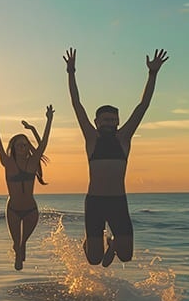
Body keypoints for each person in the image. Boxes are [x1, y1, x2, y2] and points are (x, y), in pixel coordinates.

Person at [65, 47, 169, 266]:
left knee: (125, 256)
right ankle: (92, 242)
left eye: (113, 120)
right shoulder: (92, 139)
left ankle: (111, 242)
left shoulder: (123, 139)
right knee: (94, 260)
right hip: (94, 202)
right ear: (96, 122)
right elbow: (77, 105)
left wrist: (152, 75)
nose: (109, 123)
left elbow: (143, 106)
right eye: (105, 120)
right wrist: (71, 73)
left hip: (118, 202)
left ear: (118, 122)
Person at [0, 105, 53, 270]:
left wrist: (48, 119)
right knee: (16, 243)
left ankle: (21, 247)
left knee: (22, 242)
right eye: (19, 145)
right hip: (13, 209)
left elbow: (44, 143)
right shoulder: (8, 163)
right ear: (14, 147)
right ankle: (18, 250)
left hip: (31, 209)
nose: (22, 148)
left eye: (25, 145)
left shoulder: (33, 163)